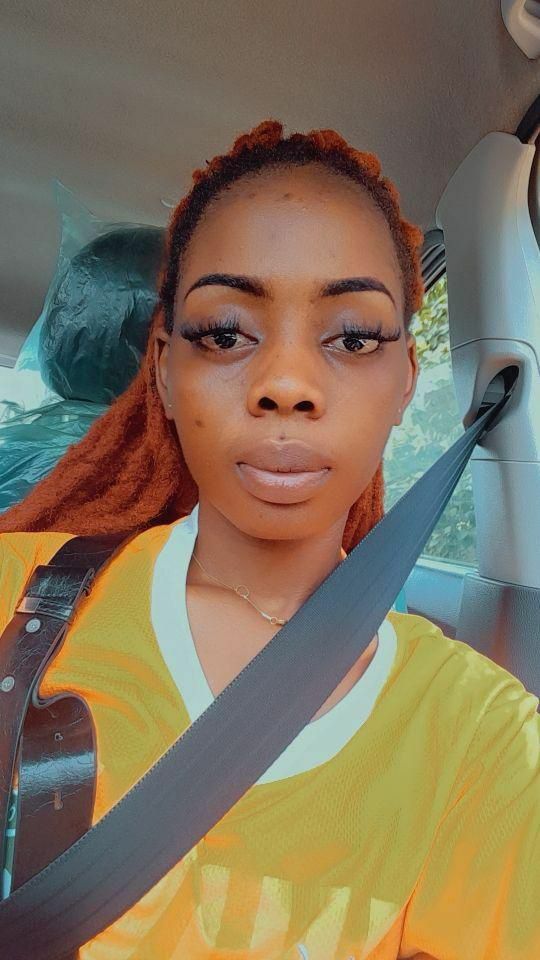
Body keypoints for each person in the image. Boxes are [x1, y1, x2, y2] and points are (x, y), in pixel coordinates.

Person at [0, 120, 538, 959]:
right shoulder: (12, 593)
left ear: (406, 379)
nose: (286, 384)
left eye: (352, 338)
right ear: (164, 369)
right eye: (225, 333)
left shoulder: (485, 739)